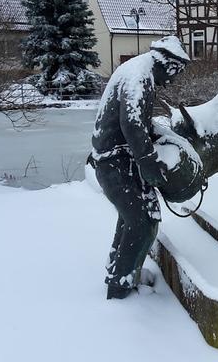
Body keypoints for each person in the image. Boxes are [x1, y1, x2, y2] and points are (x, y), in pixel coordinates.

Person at [90, 36, 190, 299]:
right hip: (115, 162)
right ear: (167, 63)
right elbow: (132, 125)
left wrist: (167, 139)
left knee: (134, 218)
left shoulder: (138, 71)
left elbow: (140, 125)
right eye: (175, 73)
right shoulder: (139, 78)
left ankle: (120, 271)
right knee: (141, 223)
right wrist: (149, 164)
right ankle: (119, 289)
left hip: (118, 159)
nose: (172, 80)